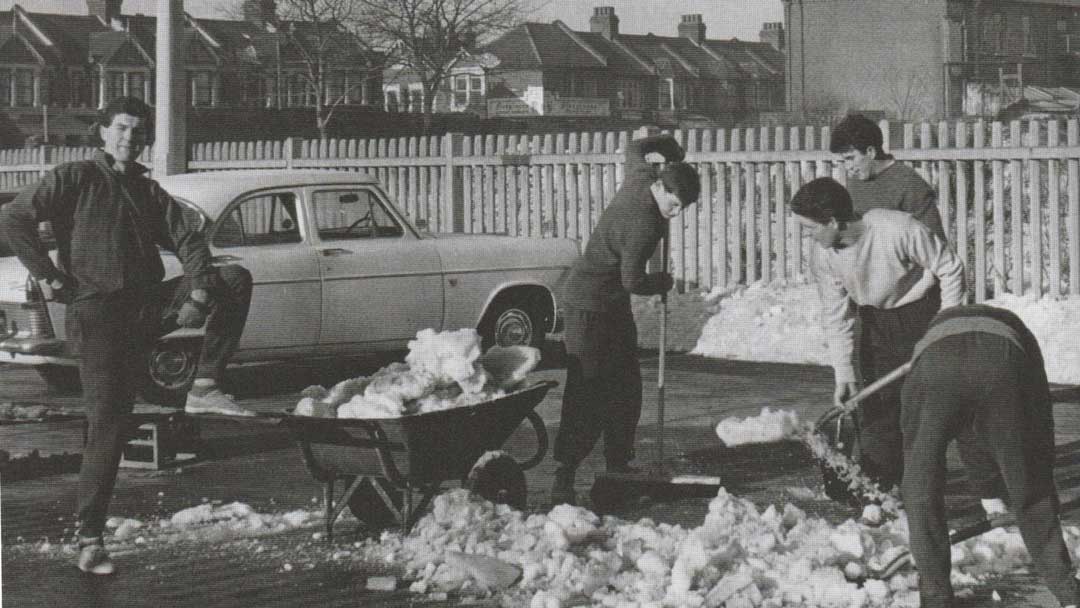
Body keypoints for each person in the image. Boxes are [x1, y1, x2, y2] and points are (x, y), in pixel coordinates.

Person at [0, 96, 254, 575]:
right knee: (110, 425)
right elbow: (14, 217)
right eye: (121, 129)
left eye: (138, 133)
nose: (129, 140)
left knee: (233, 278)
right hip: (98, 317)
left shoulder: (147, 190)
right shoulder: (74, 178)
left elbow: (189, 239)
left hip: (147, 308)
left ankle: (204, 385)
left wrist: (198, 291)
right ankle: (90, 537)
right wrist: (49, 274)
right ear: (102, 132)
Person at [550, 133, 700, 506]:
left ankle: (619, 463)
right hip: (588, 305)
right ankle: (564, 475)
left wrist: (668, 147)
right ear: (662, 188)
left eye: (683, 208)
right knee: (588, 391)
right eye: (675, 204)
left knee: (626, 385)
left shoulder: (641, 177)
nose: (676, 212)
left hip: (610, 305)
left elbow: (634, 147)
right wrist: (662, 281)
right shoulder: (644, 225)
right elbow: (633, 281)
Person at [791, 177, 964, 493]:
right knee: (874, 410)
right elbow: (836, 316)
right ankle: (878, 492)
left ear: (832, 221)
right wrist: (843, 375)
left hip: (922, 315)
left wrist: (945, 327)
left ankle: (924, 493)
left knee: (924, 410)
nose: (809, 237)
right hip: (873, 323)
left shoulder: (896, 228)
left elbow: (950, 268)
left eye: (810, 228)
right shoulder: (825, 256)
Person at [901, 304, 1080, 608]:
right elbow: (1038, 428)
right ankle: (1068, 592)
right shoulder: (1021, 337)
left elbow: (964, 428)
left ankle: (935, 597)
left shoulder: (934, 331)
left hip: (934, 364)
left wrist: (989, 495)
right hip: (1001, 361)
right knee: (1031, 486)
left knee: (920, 482)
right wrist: (1032, 481)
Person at [830, 113, 946, 241]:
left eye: (851, 158)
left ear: (870, 152)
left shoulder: (910, 184)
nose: (848, 167)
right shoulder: (855, 182)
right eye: (844, 160)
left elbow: (936, 245)